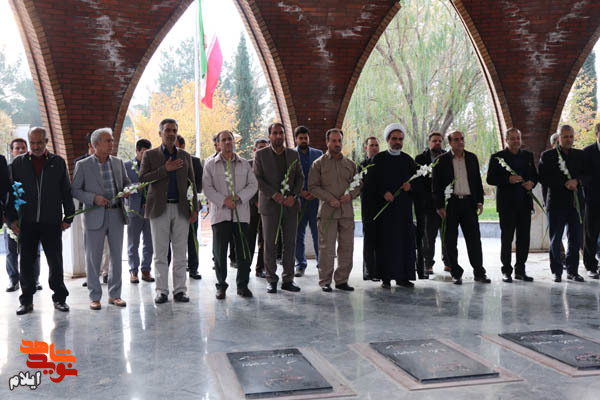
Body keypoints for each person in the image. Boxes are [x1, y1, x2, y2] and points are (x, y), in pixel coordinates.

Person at [7, 127, 75, 315]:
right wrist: (12, 219)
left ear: (46, 142)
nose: (36, 146)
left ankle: (60, 298)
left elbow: (66, 191)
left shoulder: (57, 162)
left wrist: (69, 216)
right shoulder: (18, 163)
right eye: (32, 143)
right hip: (26, 222)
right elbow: (10, 194)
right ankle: (26, 301)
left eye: (39, 143)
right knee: (26, 263)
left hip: (51, 221)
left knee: (55, 262)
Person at [139, 118, 198, 304]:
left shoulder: (185, 156)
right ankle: (161, 291)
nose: (171, 134)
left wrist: (195, 208)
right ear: (160, 133)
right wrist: (164, 169)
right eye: (167, 130)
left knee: (181, 253)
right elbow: (142, 179)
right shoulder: (150, 155)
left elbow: (192, 183)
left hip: (181, 209)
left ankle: (180, 290)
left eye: (174, 130)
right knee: (160, 254)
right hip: (159, 209)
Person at [72, 127, 131, 310]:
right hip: (94, 215)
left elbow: (126, 183)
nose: (112, 143)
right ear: (96, 143)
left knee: (116, 256)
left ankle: (115, 295)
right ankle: (94, 296)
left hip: (116, 214)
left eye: (112, 140)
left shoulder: (118, 163)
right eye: (108, 140)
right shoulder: (83, 165)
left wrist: (127, 190)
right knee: (93, 258)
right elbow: (75, 190)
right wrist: (93, 198)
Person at [203, 130, 258, 299]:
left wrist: (239, 197)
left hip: (241, 214)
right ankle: (221, 286)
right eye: (224, 140)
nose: (227, 142)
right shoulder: (210, 165)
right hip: (221, 215)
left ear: (234, 142)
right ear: (218, 144)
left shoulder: (244, 164)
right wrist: (223, 200)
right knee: (219, 253)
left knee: (243, 252)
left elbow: (253, 185)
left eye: (230, 139)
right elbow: (207, 188)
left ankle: (243, 285)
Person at [432, 130, 490, 285]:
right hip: (450, 205)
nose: (460, 142)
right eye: (456, 140)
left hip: (469, 204)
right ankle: (455, 272)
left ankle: (479, 272)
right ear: (450, 142)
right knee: (450, 240)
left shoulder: (471, 158)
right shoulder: (441, 160)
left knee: (474, 239)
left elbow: (477, 181)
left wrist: (480, 201)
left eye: (462, 139)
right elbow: (436, 186)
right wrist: (439, 206)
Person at [254, 122, 304, 294]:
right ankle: (271, 280)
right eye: (275, 133)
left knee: (290, 243)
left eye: (281, 133)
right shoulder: (260, 155)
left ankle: (288, 279)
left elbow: (300, 178)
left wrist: (293, 196)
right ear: (269, 136)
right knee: (270, 243)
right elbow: (258, 179)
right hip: (270, 205)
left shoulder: (293, 154)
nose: (278, 136)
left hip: (290, 206)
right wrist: (274, 195)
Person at [308, 128, 359, 292]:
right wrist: (329, 198)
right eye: (334, 141)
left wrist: (350, 195)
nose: (337, 144)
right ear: (327, 142)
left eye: (339, 141)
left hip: (346, 213)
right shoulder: (318, 164)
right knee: (326, 248)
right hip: (327, 213)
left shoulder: (350, 165)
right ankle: (325, 281)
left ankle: (342, 280)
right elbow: (312, 187)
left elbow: (358, 185)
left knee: (347, 248)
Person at [486, 128, 538, 282]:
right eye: (513, 138)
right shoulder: (497, 157)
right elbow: (490, 179)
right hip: (507, 206)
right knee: (507, 239)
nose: (516, 141)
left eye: (518, 138)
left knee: (524, 239)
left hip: (524, 204)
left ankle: (520, 270)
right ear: (506, 140)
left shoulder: (527, 156)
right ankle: (506, 271)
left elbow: (534, 175)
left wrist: (532, 183)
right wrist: (507, 180)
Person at [371, 123, 418, 288]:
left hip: (403, 210)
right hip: (385, 211)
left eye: (400, 139)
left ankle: (403, 277)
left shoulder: (408, 160)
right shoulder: (379, 159)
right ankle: (386, 277)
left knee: (404, 243)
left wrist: (410, 187)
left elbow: (418, 182)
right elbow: (372, 183)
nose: (397, 142)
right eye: (394, 139)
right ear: (387, 140)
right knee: (387, 243)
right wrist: (383, 193)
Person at [539, 125, 587, 282]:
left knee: (575, 239)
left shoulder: (580, 155)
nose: (568, 140)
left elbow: (588, 175)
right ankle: (557, 271)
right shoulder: (548, 156)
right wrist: (564, 183)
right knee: (556, 239)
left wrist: (577, 181)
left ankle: (573, 271)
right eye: (565, 136)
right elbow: (543, 178)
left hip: (575, 204)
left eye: (571, 136)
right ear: (558, 138)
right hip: (556, 203)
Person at [4, 138, 41, 292]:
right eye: (17, 148)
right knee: (11, 251)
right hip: (11, 216)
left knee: (34, 251)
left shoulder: (33, 168)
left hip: (31, 216)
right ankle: (14, 280)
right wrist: (9, 219)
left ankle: (35, 279)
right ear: (12, 151)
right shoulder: (6, 169)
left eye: (23, 148)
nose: (20, 150)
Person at [413, 132, 449, 277]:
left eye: (440, 141)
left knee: (447, 234)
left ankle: (448, 262)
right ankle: (428, 264)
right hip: (428, 205)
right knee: (428, 236)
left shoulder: (448, 157)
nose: (437, 143)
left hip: (445, 202)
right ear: (429, 143)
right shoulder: (420, 159)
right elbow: (417, 181)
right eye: (434, 141)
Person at [124, 139, 155, 284]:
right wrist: (137, 187)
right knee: (133, 243)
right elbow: (123, 187)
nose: (146, 156)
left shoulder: (153, 167)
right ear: (137, 151)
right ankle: (133, 271)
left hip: (150, 210)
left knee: (149, 242)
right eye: (143, 153)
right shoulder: (126, 166)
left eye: (148, 153)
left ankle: (146, 270)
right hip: (134, 210)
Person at [293, 126, 322, 277]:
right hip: (298, 201)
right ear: (296, 139)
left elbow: (323, 176)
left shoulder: (318, 154)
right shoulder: (290, 155)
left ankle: (321, 264)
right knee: (298, 233)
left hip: (315, 200)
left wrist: (315, 192)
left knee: (318, 233)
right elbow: (288, 178)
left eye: (306, 138)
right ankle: (300, 264)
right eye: (301, 138)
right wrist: (300, 192)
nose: (303, 140)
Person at [175, 135, 203, 280]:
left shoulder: (195, 161)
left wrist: (190, 198)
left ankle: (193, 268)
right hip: (172, 206)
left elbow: (199, 184)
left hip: (191, 205)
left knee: (192, 238)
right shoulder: (166, 161)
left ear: (183, 146)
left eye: (176, 144)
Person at [248, 138, 269, 278]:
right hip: (251, 209)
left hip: (267, 208)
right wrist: (255, 201)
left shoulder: (270, 165)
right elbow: (245, 185)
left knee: (264, 240)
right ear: (255, 150)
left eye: (265, 148)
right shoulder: (248, 165)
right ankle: (246, 267)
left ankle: (260, 268)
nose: (263, 150)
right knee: (249, 239)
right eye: (260, 147)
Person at [360, 136, 379, 281]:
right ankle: (369, 271)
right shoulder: (362, 165)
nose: (374, 148)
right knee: (369, 238)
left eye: (376, 145)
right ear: (366, 147)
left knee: (382, 239)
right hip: (368, 207)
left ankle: (380, 270)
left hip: (383, 206)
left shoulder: (384, 163)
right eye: (371, 145)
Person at [582, 123, 600, 279]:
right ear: (597, 134)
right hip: (593, 200)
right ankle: (590, 266)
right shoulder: (587, 152)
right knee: (590, 234)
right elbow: (583, 176)